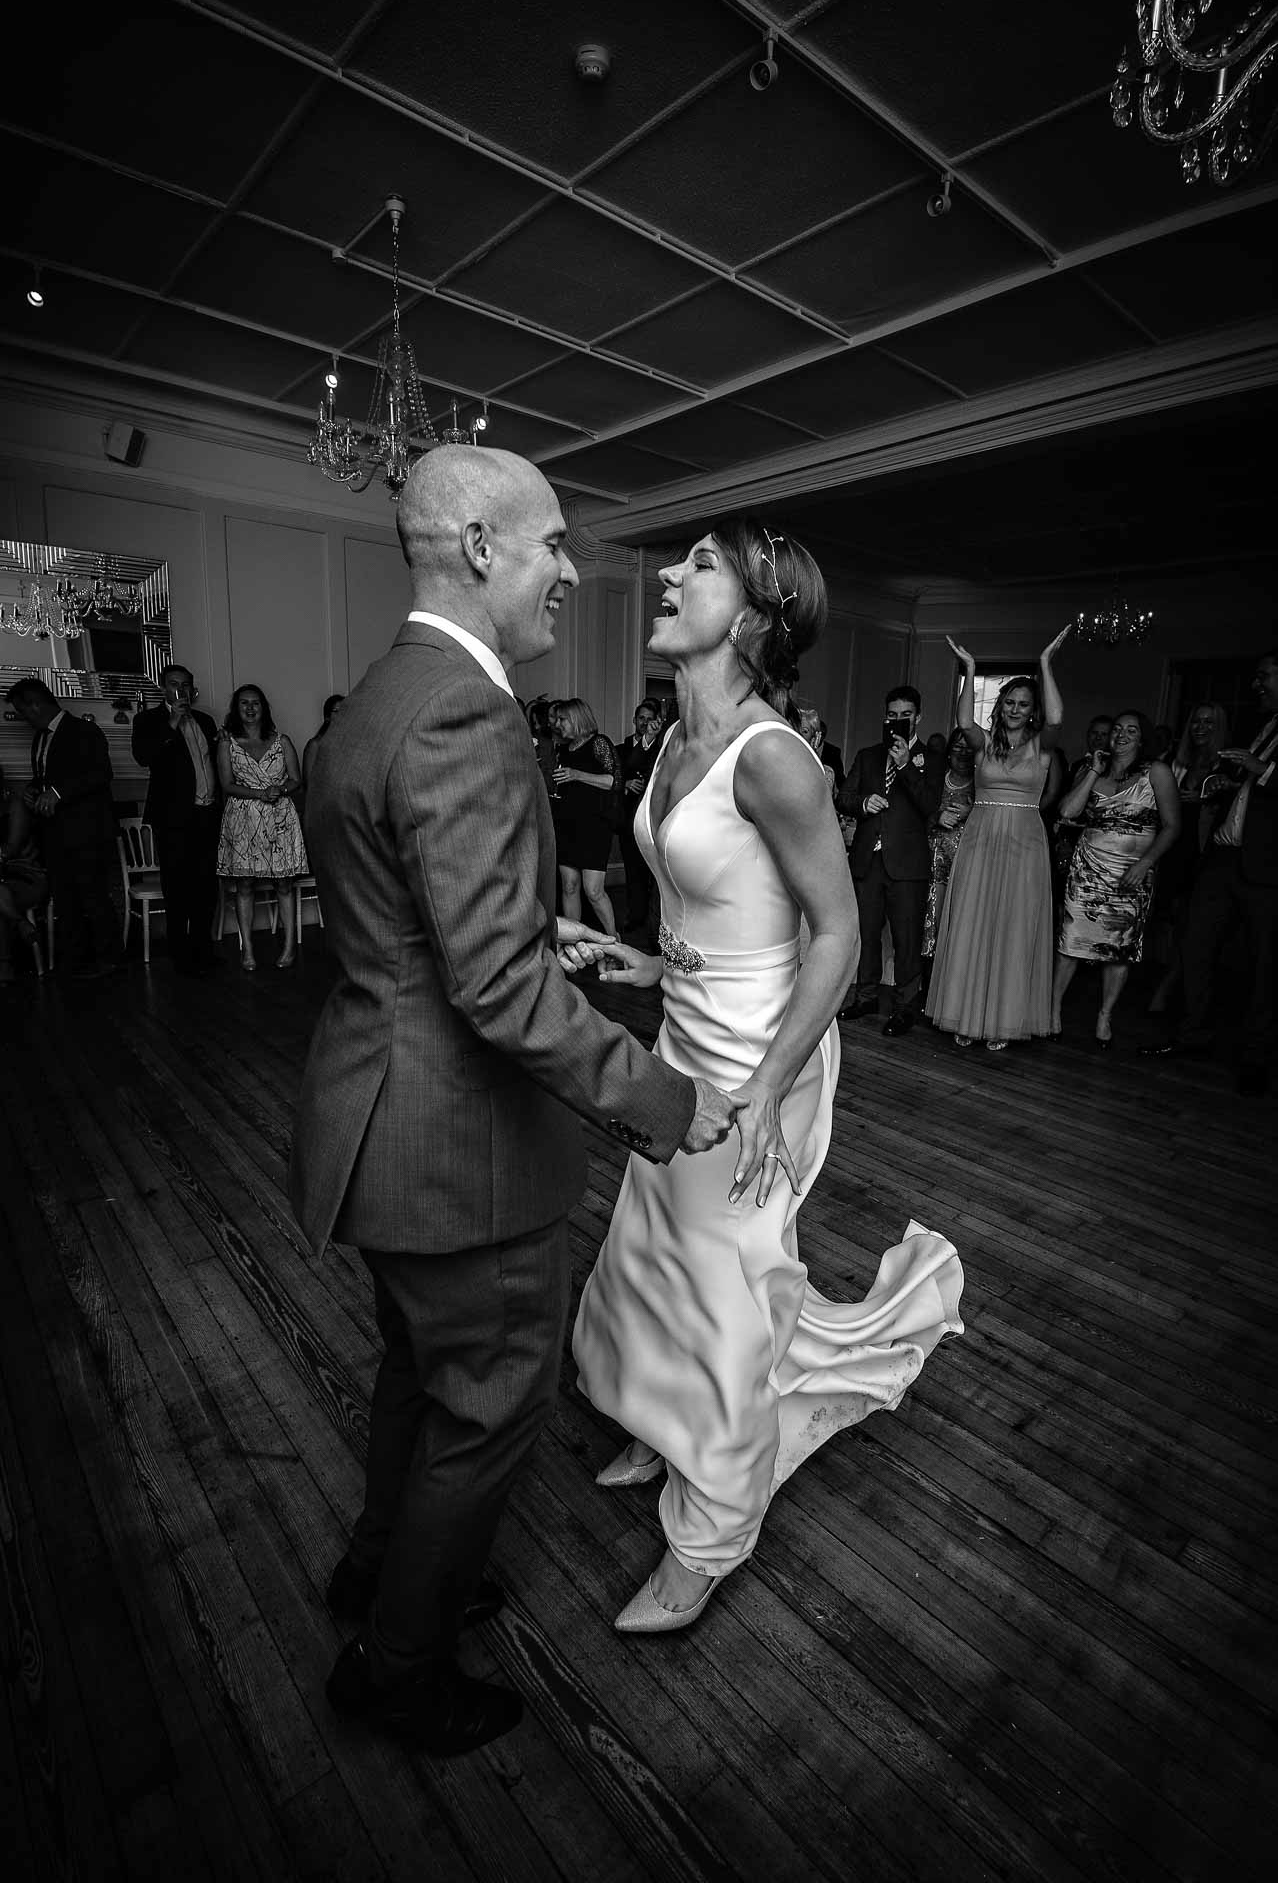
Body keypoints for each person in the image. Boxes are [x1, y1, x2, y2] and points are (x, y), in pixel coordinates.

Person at [289, 446, 735, 1756]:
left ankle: (382, 1570)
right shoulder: (466, 714)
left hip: (376, 1117)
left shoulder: (374, 701)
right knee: (486, 1407)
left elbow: (421, 916)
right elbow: (487, 990)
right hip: (455, 1147)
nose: (569, 572)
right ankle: (396, 1665)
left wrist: (542, 933)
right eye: (552, 545)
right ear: (482, 547)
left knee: (416, 1380)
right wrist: (661, 1098)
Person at [570, 517, 963, 1632]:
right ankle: (663, 1426)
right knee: (651, 1247)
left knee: (726, 1287)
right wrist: (644, 957)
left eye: (700, 566)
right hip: (684, 1034)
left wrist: (765, 1088)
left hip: (760, 1057)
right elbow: (721, 908)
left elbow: (837, 938)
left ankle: (712, 1536)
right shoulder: (670, 742)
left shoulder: (775, 755)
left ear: (748, 620)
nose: (670, 574)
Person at [924, 632, 1071, 1049]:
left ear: (1031, 711)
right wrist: (970, 671)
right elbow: (964, 722)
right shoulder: (984, 745)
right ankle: (965, 1012)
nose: (1015, 709)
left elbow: (1058, 718)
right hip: (981, 838)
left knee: (1013, 928)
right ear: (1001, 706)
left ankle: (1002, 1018)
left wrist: (1045, 660)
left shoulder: (1042, 748)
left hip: (1024, 843)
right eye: (1010, 702)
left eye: (1024, 704)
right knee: (973, 921)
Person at [1142, 649, 1278, 1095]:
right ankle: (1192, 1034)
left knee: (1262, 965)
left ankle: (1256, 1058)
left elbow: (1268, 782)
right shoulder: (1267, 727)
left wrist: (1264, 771)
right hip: (1224, 856)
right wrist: (1233, 785)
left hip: (1266, 867)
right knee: (1194, 944)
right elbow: (1253, 794)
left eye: (1263, 676)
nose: (1256, 684)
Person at [1051, 711, 1181, 1045]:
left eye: (1131, 730)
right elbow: (1067, 812)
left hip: (1131, 873)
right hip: (1088, 869)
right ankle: (1052, 1009)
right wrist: (1094, 769)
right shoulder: (1092, 771)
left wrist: (1146, 863)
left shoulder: (1157, 772)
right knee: (1070, 942)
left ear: (1142, 738)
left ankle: (1104, 1015)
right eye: (1117, 730)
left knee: (1120, 947)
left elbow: (1172, 826)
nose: (1122, 735)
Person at [836, 685, 945, 1037]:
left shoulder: (931, 759)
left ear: (918, 717)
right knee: (867, 935)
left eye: (905, 715)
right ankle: (865, 996)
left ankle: (904, 1007)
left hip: (907, 866)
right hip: (868, 860)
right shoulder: (868, 756)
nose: (898, 721)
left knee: (906, 940)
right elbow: (844, 797)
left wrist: (904, 765)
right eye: (892, 715)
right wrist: (862, 802)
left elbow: (929, 805)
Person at [5, 677, 118, 978]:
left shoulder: (84, 730)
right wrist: (34, 789)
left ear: (35, 704)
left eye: (22, 710)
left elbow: (101, 773)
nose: (22, 717)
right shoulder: (40, 737)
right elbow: (49, 777)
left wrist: (57, 793)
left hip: (87, 832)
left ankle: (109, 961)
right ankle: (76, 962)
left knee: (94, 897)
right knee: (66, 900)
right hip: (55, 833)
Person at [131, 663, 222, 974]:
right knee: (178, 887)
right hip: (173, 819)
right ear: (163, 687)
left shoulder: (207, 722)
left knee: (206, 887)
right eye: (173, 684)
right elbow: (144, 757)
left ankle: (203, 950)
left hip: (207, 814)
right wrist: (172, 722)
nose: (180, 690)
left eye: (185, 684)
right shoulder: (148, 720)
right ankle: (180, 954)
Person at [215, 684, 307, 971]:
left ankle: (289, 947)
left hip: (279, 816)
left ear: (264, 707)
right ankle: (249, 951)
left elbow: (296, 779)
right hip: (243, 819)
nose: (250, 708)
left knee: (284, 883)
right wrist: (259, 794)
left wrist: (278, 789)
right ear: (236, 708)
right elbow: (226, 785)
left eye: (255, 703)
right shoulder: (227, 743)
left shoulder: (282, 741)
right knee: (244, 884)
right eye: (244, 703)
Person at [1147, 701, 1231, 1014]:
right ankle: (1152, 980)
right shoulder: (1174, 762)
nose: (1201, 728)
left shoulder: (1228, 766)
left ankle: (1168, 989)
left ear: (1219, 727)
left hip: (1204, 853)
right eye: (1196, 721)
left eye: (1209, 723)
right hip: (1170, 850)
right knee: (1160, 919)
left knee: (1191, 927)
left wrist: (1207, 798)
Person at [550, 696, 620, 940]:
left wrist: (577, 774)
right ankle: (575, 942)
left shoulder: (599, 743)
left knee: (593, 891)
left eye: (562, 719)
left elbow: (613, 781)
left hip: (594, 827)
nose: (558, 724)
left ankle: (613, 940)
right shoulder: (563, 748)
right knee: (569, 886)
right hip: (567, 825)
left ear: (577, 719)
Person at [922, 728, 975, 969]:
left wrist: (971, 812)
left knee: (961, 921)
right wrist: (937, 816)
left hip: (967, 865)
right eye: (957, 747)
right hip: (933, 862)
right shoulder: (936, 778)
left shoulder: (982, 785)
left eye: (968, 748)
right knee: (932, 918)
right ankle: (928, 980)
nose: (963, 753)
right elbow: (919, 808)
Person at [1052, 712, 1113, 903]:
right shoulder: (1078, 764)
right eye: (1094, 733)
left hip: (1092, 838)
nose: (1097, 738)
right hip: (1067, 834)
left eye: (1103, 734)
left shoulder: (1111, 770)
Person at [615, 697, 663, 939]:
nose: (645, 723)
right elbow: (614, 777)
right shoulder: (620, 749)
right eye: (641, 718)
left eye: (650, 719)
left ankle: (654, 925)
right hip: (628, 819)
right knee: (633, 873)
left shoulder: (660, 748)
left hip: (653, 819)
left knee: (653, 875)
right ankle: (635, 919)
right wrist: (625, 783)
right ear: (634, 720)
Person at [0, 759, 47, 984]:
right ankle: (21, 923)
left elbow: (10, 849)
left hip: (27, 876)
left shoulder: (14, 805)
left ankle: (5, 966)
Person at [300, 693, 345, 821]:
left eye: (346, 711)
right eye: (337, 711)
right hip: (323, 811)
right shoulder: (316, 745)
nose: (342, 715)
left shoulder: (352, 745)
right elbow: (309, 784)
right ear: (327, 717)